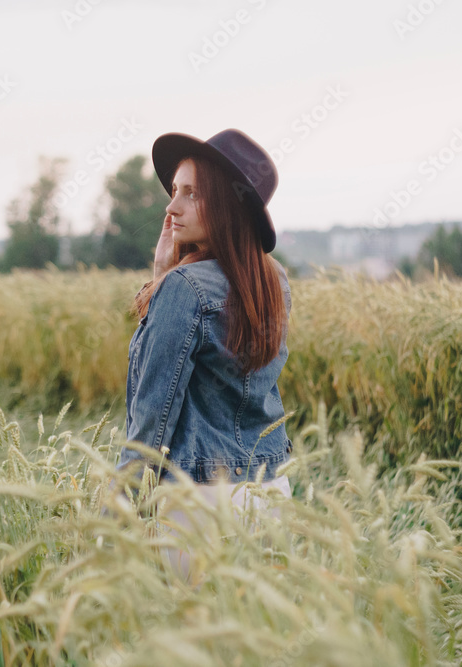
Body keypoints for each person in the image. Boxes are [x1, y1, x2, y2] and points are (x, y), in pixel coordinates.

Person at [109, 128, 294, 578]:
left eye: (191, 194)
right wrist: (162, 275)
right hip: (272, 497)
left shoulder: (183, 288)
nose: (171, 208)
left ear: (227, 205)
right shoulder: (276, 282)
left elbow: (150, 418)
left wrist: (113, 520)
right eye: (174, 191)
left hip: (198, 508)